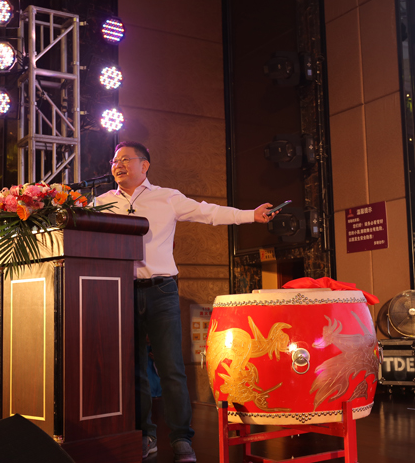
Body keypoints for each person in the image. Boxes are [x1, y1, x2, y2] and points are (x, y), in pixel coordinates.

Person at [96, 141, 278, 462]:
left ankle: (181, 438)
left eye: (125, 159)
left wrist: (251, 215)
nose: (117, 165)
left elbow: (209, 212)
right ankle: (145, 435)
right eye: (114, 161)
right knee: (134, 370)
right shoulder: (100, 202)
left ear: (144, 165)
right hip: (120, 291)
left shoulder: (167, 197)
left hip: (162, 291)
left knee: (171, 368)